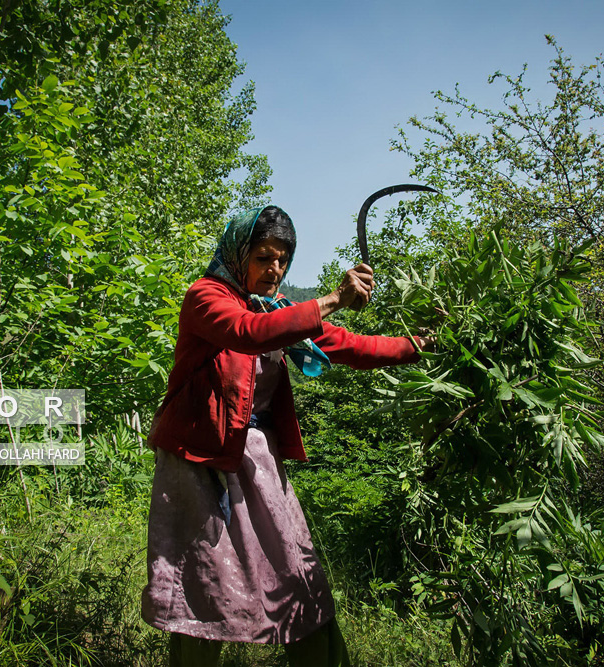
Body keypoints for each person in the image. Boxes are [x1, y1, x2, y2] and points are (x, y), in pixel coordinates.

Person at [141, 205, 428, 666]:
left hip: (256, 464)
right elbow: (246, 333)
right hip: (198, 466)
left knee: (297, 575)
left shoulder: (278, 313)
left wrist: (416, 347)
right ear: (240, 255)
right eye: (263, 257)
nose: (274, 269)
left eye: (282, 260)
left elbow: (351, 345)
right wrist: (333, 297)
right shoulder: (206, 298)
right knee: (202, 584)